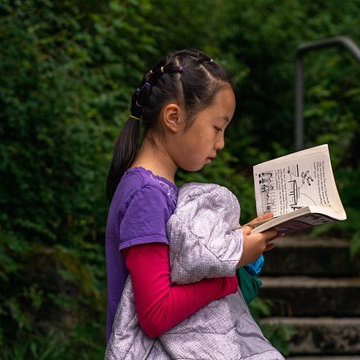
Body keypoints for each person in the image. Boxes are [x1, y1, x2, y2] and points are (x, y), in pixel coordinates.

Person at [104, 49, 280, 358]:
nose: (221, 143)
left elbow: (179, 269)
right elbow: (156, 314)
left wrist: (235, 240)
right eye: (217, 127)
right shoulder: (146, 195)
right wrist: (229, 268)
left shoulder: (157, 189)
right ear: (173, 117)